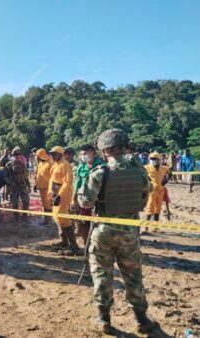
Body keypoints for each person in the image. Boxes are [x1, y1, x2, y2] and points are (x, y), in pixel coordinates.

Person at [77, 128, 157, 334]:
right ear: (124, 147)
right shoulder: (140, 172)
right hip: (129, 231)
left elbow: (85, 201)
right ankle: (141, 319)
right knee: (133, 275)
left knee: (102, 274)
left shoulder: (100, 173)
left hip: (103, 231)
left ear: (105, 150)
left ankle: (104, 319)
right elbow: (144, 198)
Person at [48, 146, 79, 255]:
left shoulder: (66, 165)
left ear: (61, 154)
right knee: (57, 217)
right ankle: (64, 242)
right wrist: (51, 194)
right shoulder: (55, 164)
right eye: (51, 153)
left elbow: (67, 182)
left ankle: (74, 246)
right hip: (56, 193)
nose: (52, 155)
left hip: (64, 194)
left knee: (63, 218)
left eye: (55, 153)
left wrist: (60, 195)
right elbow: (52, 180)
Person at [73, 144, 104, 245]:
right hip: (84, 200)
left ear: (93, 153)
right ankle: (87, 243)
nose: (83, 156)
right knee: (84, 222)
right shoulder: (81, 167)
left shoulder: (102, 166)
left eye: (86, 153)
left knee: (98, 224)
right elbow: (77, 183)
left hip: (98, 201)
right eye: (82, 154)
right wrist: (74, 199)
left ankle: (97, 243)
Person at [143, 152, 170, 232]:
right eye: (151, 159)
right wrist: (148, 180)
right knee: (150, 208)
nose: (153, 160)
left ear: (159, 160)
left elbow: (169, 173)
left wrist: (166, 180)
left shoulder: (164, 168)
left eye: (155, 159)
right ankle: (146, 228)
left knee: (158, 209)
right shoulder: (146, 167)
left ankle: (156, 227)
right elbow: (143, 175)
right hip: (151, 191)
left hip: (160, 191)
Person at [4, 147, 30, 222]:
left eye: (19, 154)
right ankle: (16, 218)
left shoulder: (22, 164)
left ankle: (25, 216)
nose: (17, 156)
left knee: (26, 201)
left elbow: (26, 176)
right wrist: (11, 183)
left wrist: (28, 186)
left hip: (22, 186)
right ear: (13, 155)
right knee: (14, 203)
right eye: (16, 154)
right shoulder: (8, 165)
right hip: (14, 187)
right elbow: (5, 177)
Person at [33, 148, 53, 225]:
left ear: (41, 156)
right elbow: (38, 175)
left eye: (37, 156)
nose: (36, 158)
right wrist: (35, 184)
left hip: (48, 188)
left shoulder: (50, 163)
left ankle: (48, 220)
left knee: (48, 205)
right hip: (41, 187)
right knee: (44, 204)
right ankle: (46, 219)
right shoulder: (41, 163)